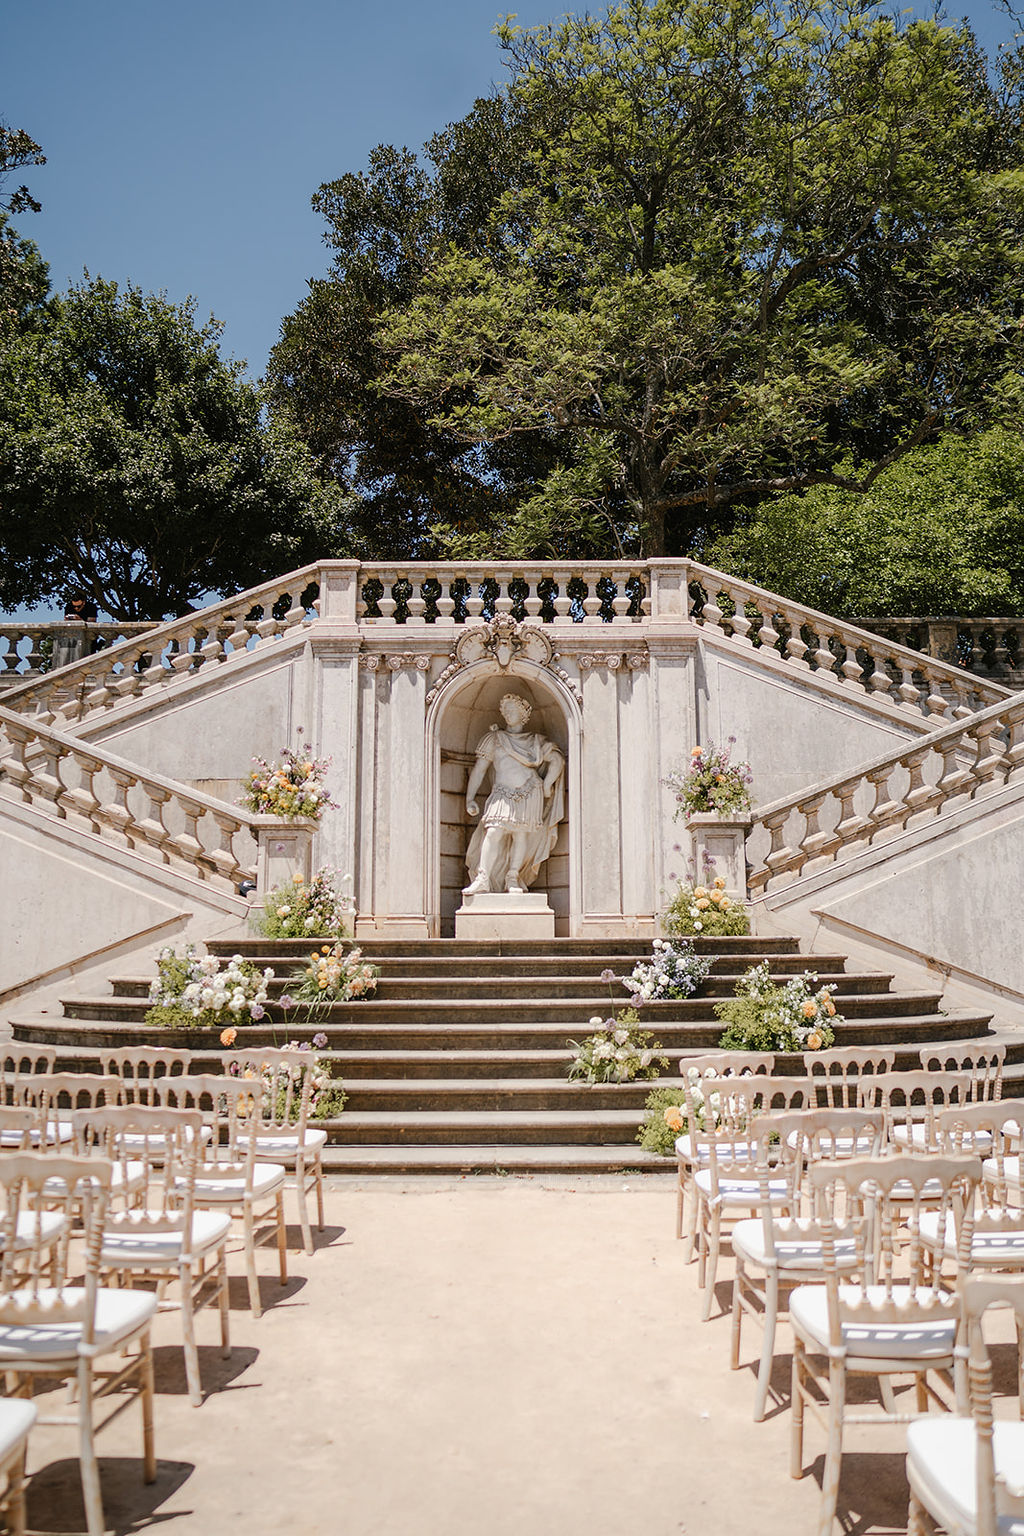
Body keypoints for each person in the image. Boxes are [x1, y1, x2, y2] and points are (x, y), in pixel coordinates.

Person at [464, 693, 565, 894]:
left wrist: (546, 786)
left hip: (529, 791)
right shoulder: (494, 739)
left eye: (512, 710)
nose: (507, 713)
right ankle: (483, 877)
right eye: (505, 710)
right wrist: (469, 798)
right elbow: (479, 770)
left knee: (521, 835)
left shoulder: (535, 741)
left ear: (523, 714)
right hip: (502, 793)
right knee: (493, 832)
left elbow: (557, 760)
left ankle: (512, 876)